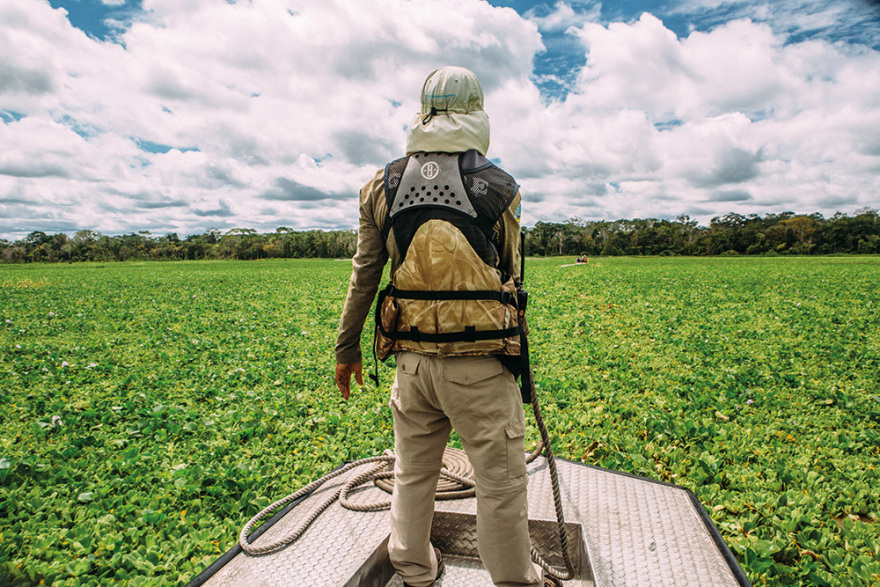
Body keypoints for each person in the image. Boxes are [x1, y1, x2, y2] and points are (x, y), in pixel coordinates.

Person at [335, 67, 554, 587]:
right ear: (476, 111)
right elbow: (509, 272)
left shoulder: (378, 187)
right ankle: (517, 582)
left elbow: (365, 275)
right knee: (499, 486)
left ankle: (414, 568)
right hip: (479, 367)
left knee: (412, 473)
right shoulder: (502, 188)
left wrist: (347, 349)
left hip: (411, 366)